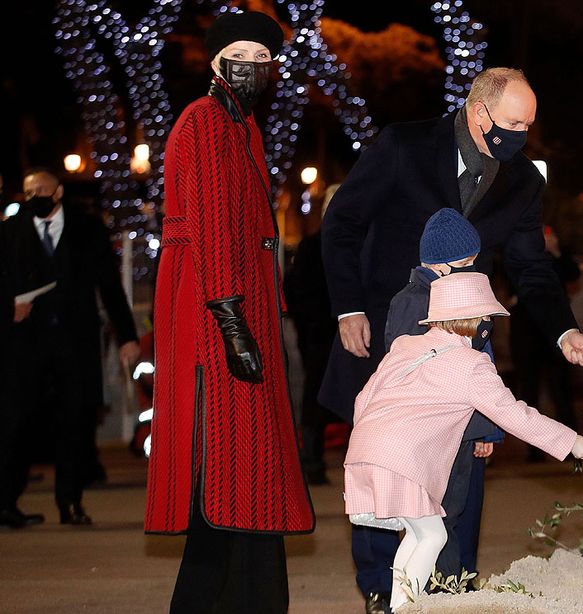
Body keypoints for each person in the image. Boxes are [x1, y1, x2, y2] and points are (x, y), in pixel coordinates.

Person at [319, 67, 583, 612]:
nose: (521, 136)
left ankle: (453, 587)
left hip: (461, 342)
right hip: (387, 330)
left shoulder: (522, 181)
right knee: (392, 455)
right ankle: (382, 588)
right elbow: (343, 224)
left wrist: (564, 329)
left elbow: (531, 268)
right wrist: (348, 309)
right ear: (480, 114)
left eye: (529, 125)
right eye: (513, 123)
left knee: (465, 458)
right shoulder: (403, 145)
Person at [144, 12, 314, 613]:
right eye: (238, 53)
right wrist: (232, 322)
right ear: (215, 62)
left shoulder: (242, 129)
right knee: (223, 476)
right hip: (216, 320)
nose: (250, 65)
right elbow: (214, 229)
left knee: (248, 477)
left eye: (262, 56)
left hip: (236, 313)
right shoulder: (207, 122)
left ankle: (254, 601)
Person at [344, 272, 583, 613]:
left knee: (420, 535)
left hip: (364, 451)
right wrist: (571, 443)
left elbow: (364, 397)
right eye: (488, 319)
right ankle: (406, 608)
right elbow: (516, 416)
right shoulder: (472, 365)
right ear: (480, 325)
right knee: (433, 536)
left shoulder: (405, 344)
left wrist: (371, 439)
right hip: (401, 461)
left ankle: (400, 603)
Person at [0, 167, 140, 527]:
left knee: (74, 424)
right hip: (25, 346)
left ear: (59, 192)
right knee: (18, 423)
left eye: (42, 190)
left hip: (74, 345)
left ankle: (70, 502)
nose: (35, 199)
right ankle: (6, 502)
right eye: (29, 193)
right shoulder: (10, 232)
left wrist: (127, 336)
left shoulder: (87, 229)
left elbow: (109, 286)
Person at [384, 207, 502, 586]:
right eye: (467, 263)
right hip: (432, 430)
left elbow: (482, 365)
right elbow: (437, 373)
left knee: (447, 514)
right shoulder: (416, 304)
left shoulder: (453, 297)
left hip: (460, 429)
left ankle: (436, 589)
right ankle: (442, 592)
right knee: (438, 518)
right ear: (441, 267)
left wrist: (484, 430)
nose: (474, 269)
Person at [284, 183, 344, 486]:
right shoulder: (313, 247)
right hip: (321, 333)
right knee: (316, 396)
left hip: (330, 332)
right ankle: (311, 459)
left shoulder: (357, 243)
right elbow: (295, 292)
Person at [510, 224, 581, 462]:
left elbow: (573, 274)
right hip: (526, 332)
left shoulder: (555, 261)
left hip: (553, 334)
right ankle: (534, 449)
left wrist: (557, 253)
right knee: (529, 392)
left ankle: (570, 444)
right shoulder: (519, 254)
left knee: (561, 389)